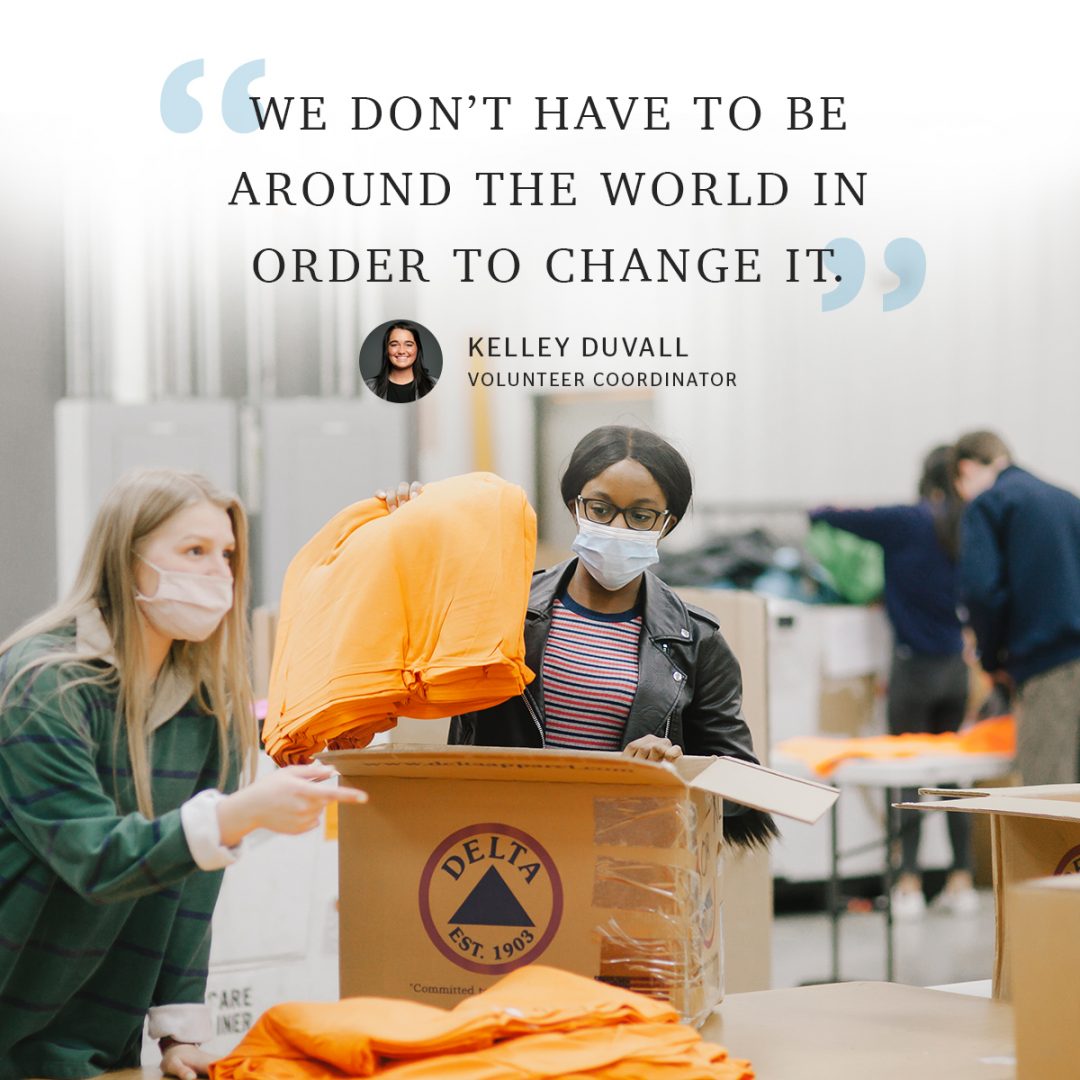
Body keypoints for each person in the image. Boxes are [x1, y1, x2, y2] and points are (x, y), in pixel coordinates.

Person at [0, 470, 366, 1080]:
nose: (219, 574)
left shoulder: (204, 703)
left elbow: (191, 881)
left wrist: (178, 1035)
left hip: (94, 1040)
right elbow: (93, 856)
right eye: (193, 551)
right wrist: (240, 813)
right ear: (127, 559)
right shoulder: (43, 684)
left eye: (226, 554)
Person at [381, 426, 775, 849]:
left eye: (641, 516)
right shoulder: (502, 610)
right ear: (575, 507)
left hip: (623, 861)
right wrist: (406, 537)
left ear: (666, 524)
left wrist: (673, 772)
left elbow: (741, 794)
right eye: (601, 509)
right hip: (501, 849)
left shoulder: (696, 642)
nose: (618, 527)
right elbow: (404, 652)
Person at [809, 446, 976, 919]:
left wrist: (828, 508)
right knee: (952, 779)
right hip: (956, 669)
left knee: (904, 777)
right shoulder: (966, 526)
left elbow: (826, 516)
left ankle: (908, 884)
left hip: (912, 669)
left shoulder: (906, 521)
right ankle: (961, 881)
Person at [952, 430, 1080, 785]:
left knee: (1048, 798)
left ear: (965, 469)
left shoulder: (988, 504)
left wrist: (991, 660)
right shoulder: (1069, 500)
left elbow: (982, 592)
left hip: (1048, 669)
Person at [365, 320, 437, 403]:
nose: (401, 351)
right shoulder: (368, 387)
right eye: (394, 345)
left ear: (418, 349)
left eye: (409, 345)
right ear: (387, 349)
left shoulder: (434, 386)